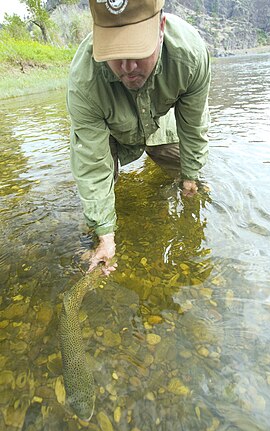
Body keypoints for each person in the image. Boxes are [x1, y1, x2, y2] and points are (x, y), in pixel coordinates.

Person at [67, 0, 211, 274]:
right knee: (97, 219)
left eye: (138, 50)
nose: (128, 66)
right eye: (115, 53)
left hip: (162, 119)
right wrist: (106, 236)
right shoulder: (84, 81)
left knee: (192, 179)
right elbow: (92, 164)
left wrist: (190, 177)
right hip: (112, 132)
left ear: (161, 27)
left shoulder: (190, 55)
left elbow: (193, 126)